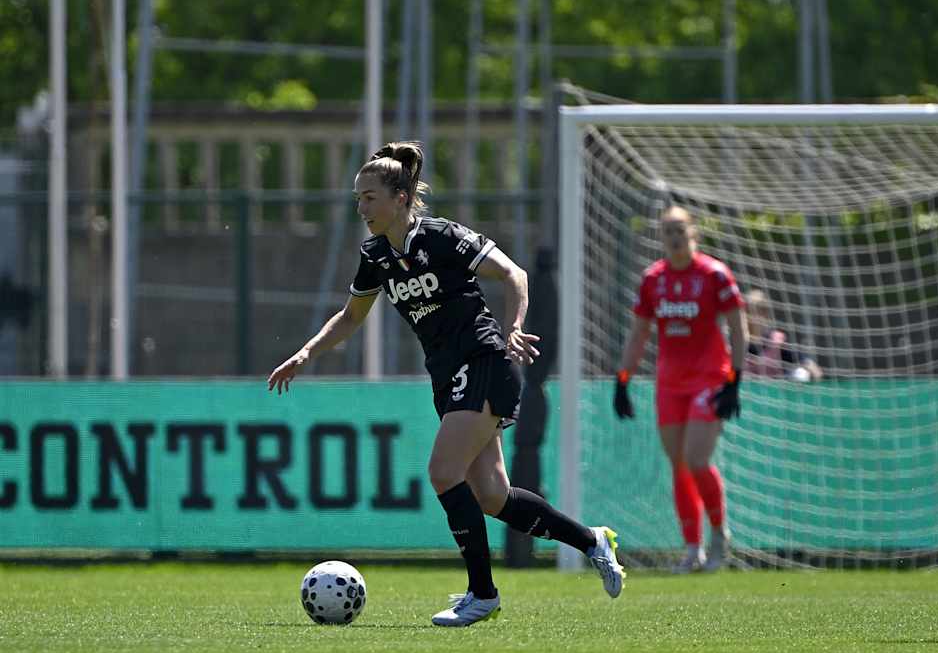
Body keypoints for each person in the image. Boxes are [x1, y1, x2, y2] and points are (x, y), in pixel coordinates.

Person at [267, 142, 624, 627]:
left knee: (442, 470)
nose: (361, 208)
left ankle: (483, 594)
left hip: (484, 361)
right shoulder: (375, 255)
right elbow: (352, 316)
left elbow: (514, 274)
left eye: (370, 197)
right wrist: (308, 351)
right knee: (494, 496)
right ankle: (591, 540)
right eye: (357, 199)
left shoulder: (442, 237)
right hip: (447, 376)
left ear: (399, 197)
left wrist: (515, 325)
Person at [613, 205, 748, 573]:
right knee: (679, 465)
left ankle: (719, 534)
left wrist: (735, 379)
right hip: (670, 383)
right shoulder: (653, 279)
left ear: (693, 233)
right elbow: (640, 332)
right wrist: (622, 379)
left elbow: (737, 327)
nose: (674, 236)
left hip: (710, 378)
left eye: (679, 229)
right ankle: (693, 548)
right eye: (667, 230)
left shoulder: (714, 274)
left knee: (697, 459)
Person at [744, 289, 823, 382]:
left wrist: (812, 373)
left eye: (758, 311)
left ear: (765, 314)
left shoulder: (777, 341)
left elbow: (811, 366)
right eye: (747, 311)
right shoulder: (736, 342)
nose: (749, 316)